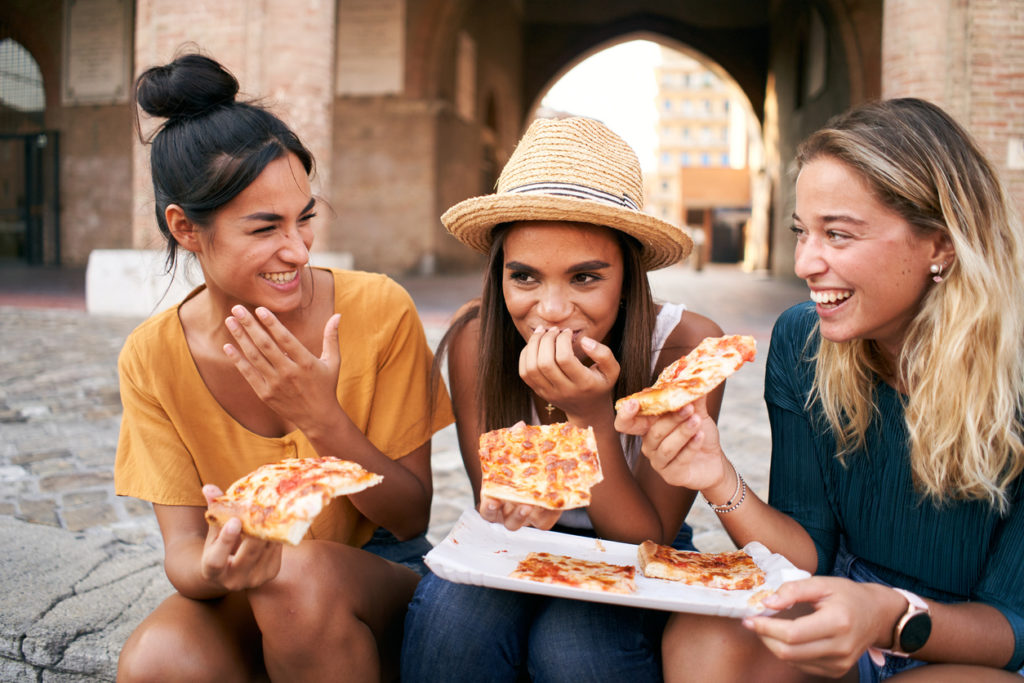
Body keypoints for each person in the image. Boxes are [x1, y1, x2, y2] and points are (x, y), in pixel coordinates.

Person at [616, 97, 1024, 682]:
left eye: (838, 234)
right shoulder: (802, 340)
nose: (806, 261)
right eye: (802, 232)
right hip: (835, 606)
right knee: (706, 634)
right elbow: (806, 552)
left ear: (940, 244)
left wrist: (885, 615)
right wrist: (715, 475)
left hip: (964, 646)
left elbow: (1012, 628)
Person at [113, 52, 453, 682]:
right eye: (265, 228)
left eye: (305, 219)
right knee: (158, 662)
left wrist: (322, 418)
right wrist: (216, 567)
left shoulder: (377, 310)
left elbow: (411, 517)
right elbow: (183, 551)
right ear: (186, 228)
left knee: (294, 578)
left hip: (377, 569)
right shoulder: (152, 357)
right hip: (249, 572)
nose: (295, 251)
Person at [401, 116, 727, 682]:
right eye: (524, 277)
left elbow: (647, 540)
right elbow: (502, 510)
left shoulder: (685, 346)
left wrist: (591, 418)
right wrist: (528, 497)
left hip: (638, 548)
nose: (550, 310)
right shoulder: (478, 338)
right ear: (498, 274)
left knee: (576, 645)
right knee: (450, 625)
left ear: (628, 274)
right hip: (519, 542)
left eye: (584, 279)